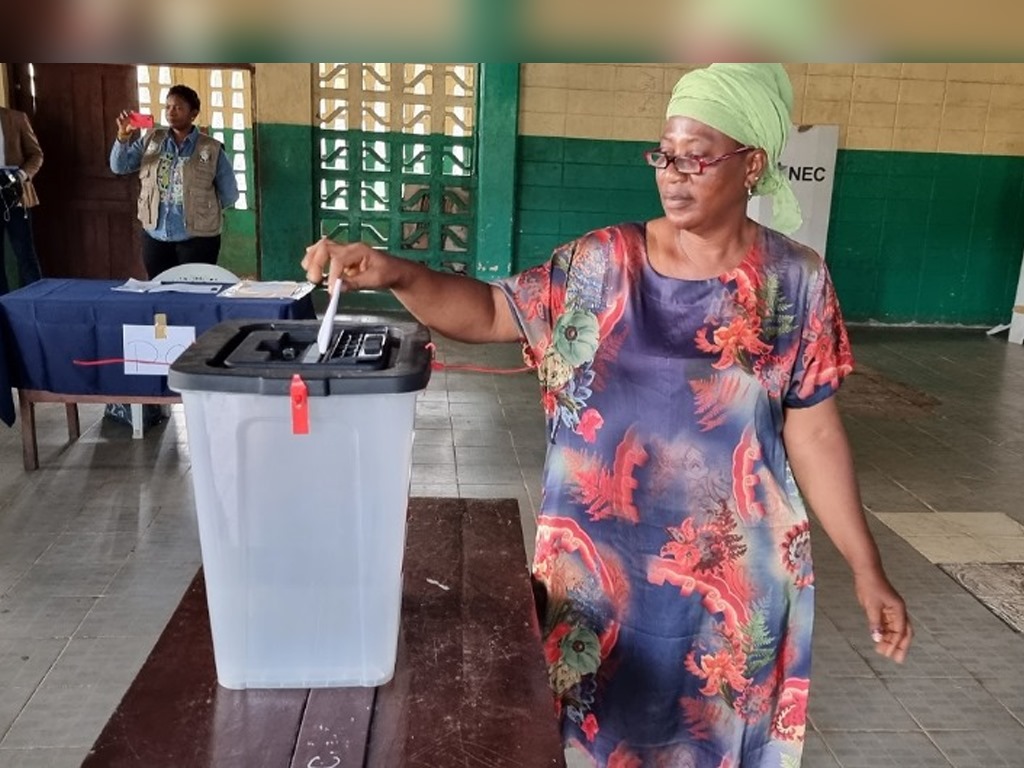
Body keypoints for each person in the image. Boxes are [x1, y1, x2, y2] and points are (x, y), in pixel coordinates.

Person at [301, 64, 913, 767]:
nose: (674, 174)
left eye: (697, 156)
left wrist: (867, 567)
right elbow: (495, 311)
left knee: (715, 746)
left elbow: (813, 429)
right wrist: (398, 273)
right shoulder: (601, 262)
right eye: (665, 154)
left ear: (754, 165)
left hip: (731, 588)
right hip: (595, 583)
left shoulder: (796, 282)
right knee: (587, 741)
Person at [109, 84, 239, 279]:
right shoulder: (152, 140)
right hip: (156, 236)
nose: (171, 112)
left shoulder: (211, 149)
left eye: (178, 108)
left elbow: (229, 194)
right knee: (161, 293)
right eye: (168, 107)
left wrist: (202, 210)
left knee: (195, 294)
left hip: (197, 239)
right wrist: (123, 136)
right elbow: (119, 166)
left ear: (193, 114)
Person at [0, 105, 44, 295]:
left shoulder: (16, 118)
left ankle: (37, 302)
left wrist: (21, 175)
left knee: (25, 254)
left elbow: (36, 154)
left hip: (15, 196)